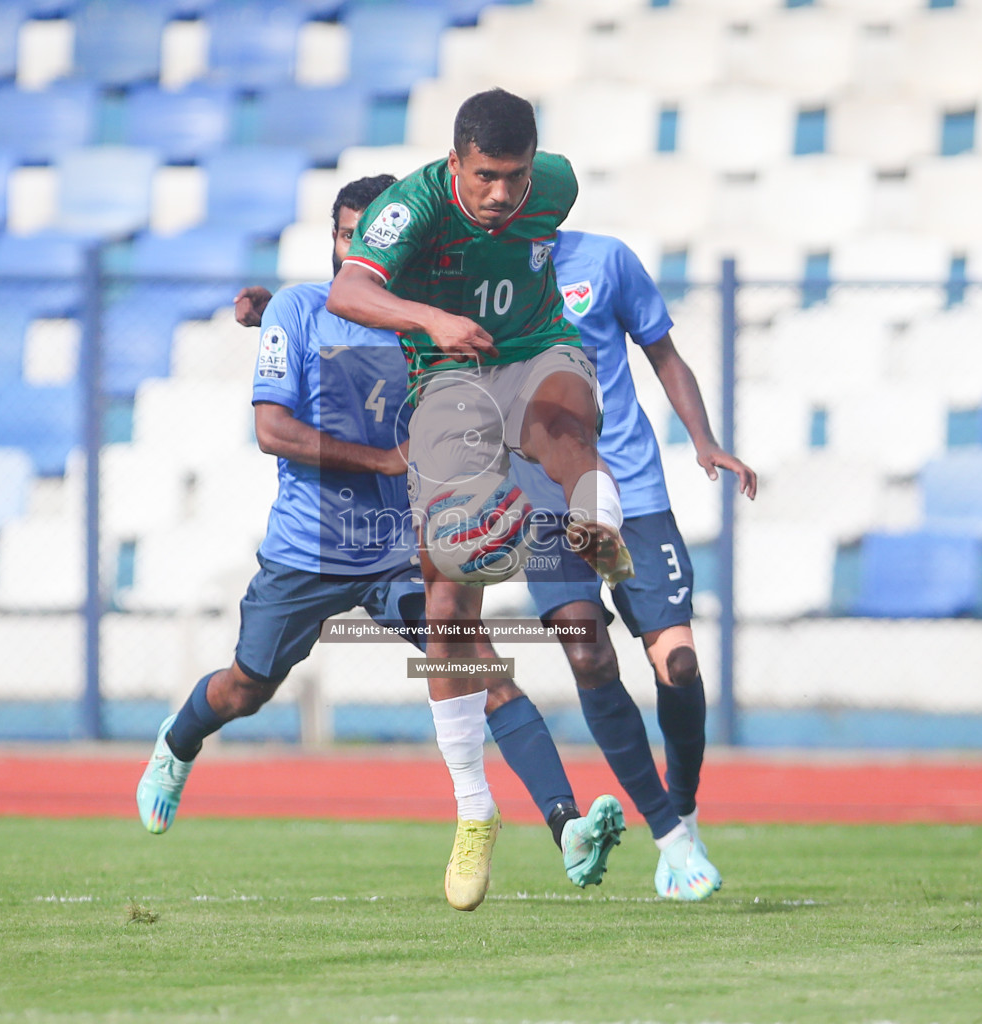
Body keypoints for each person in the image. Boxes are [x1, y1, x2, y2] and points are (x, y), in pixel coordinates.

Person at [135, 176, 624, 913]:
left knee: (483, 670)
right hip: (310, 550)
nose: (358, 248)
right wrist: (388, 460)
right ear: (335, 242)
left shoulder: (429, 323)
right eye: (346, 235)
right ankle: (178, 741)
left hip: (404, 550)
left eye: (371, 236)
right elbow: (273, 431)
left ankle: (567, 826)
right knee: (247, 685)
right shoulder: (299, 310)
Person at [324, 88, 634, 908]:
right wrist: (433, 321)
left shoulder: (557, 185)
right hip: (450, 379)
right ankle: (473, 811)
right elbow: (347, 295)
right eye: (488, 176)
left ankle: (596, 513)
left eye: (517, 177)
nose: (504, 195)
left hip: (536, 351)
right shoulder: (412, 206)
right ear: (456, 161)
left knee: (565, 415)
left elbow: (543, 235)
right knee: (450, 598)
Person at [513, 229, 758, 900]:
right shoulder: (476, 272)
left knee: (677, 662)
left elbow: (664, 353)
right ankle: (672, 842)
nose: (509, 194)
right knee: (589, 658)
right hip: (544, 503)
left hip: (635, 491)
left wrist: (704, 441)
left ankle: (684, 808)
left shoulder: (605, 259)